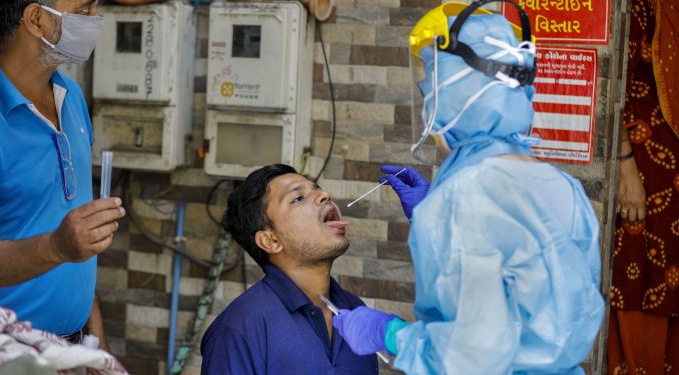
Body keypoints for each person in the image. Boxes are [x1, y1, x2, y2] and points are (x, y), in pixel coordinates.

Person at [331, 1, 605, 374]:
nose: (427, 107)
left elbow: (472, 357)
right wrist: (440, 219)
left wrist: (390, 334)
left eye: (431, 90)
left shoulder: (464, 200)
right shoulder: (563, 186)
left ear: (460, 93)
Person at [0, 0, 124, 350]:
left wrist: (94, 334)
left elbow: (77, 238)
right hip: (4, 352)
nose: (96, 18)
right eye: (84, 8)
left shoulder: (71, 96)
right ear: (36, 19)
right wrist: (57, 246)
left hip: (71, 347)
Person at [200, 164, 378, 375]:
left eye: (317, 188)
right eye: (298, 198)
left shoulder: (356, 309)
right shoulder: (238, 330)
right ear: (271, 240)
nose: (324, 195)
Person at [607, 0, 679, 372]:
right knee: (642, 289)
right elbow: (614, 80)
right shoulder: (640, 6)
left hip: (673, 180)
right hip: (647, 181)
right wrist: (624, 163)